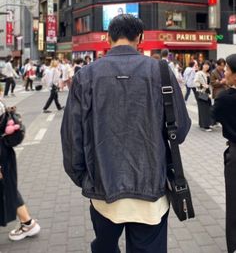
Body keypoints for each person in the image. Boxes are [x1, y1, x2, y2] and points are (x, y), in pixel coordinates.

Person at [61, 14, 191, 253]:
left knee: (105, 246)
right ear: (139, 38)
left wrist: (84, 178)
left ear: (108, 38)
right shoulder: (161, 71)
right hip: (151, 189)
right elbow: (180, 130)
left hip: (103, 188)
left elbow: (71, 137)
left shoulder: (85, 76)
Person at [0, 89, 40, 240]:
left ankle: (28, 223)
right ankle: (28, 224)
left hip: (2, 155)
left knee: (8, 188)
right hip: (4, 153)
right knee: (8, 187)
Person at [212, 54, 236, 253]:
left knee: (234, 202)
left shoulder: (225, 98)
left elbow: (215, 115)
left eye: (227, 69)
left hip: (235, 156)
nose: (225, 73)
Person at [194, 60, 213, 131]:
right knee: (204, 109)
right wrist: (202, 85)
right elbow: (195, 83)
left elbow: (210, 85)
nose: (206, 66)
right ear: (202, 65)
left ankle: (202, 123)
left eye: (208, 65)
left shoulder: (208, 74)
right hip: (201, 92)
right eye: (205, 65)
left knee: (207, 107)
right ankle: (206, 126)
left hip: (207, 93)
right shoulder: (199, 73)